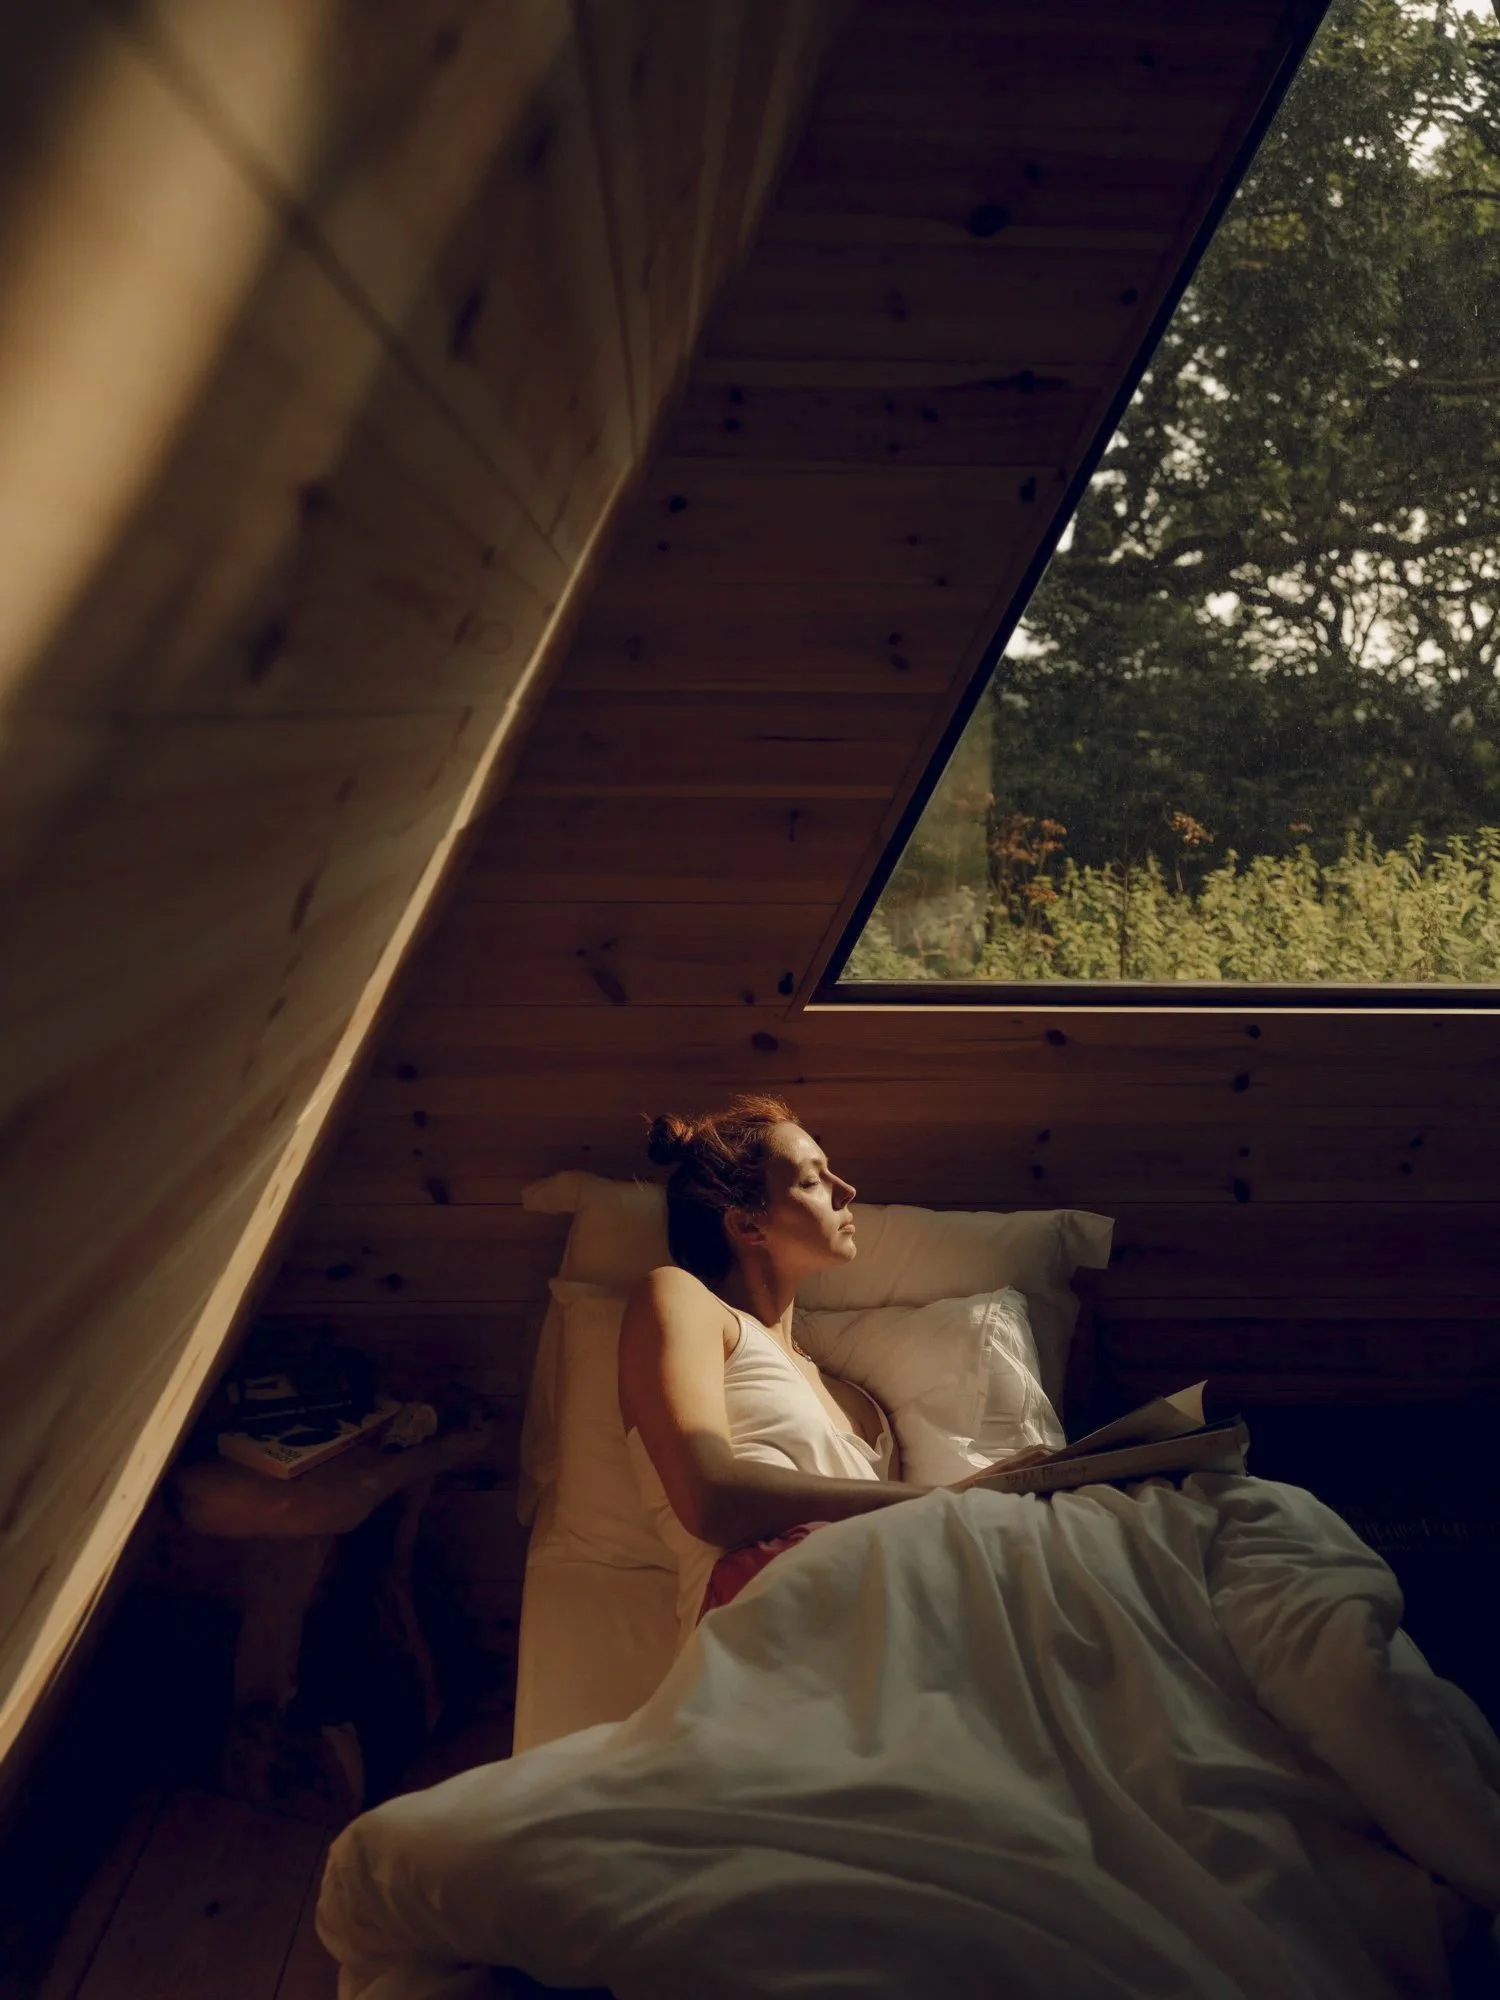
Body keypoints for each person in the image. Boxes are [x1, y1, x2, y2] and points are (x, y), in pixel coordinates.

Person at [619, 1092, 1046, 1633]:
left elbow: (891, 1530)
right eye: (812, 1180)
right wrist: (958, 1499)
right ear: (749, 1226)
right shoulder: (680, 1299)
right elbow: (710, 1500)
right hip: (762, 1606)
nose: (846, 1191)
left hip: (883, 1597)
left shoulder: (858, 1402)